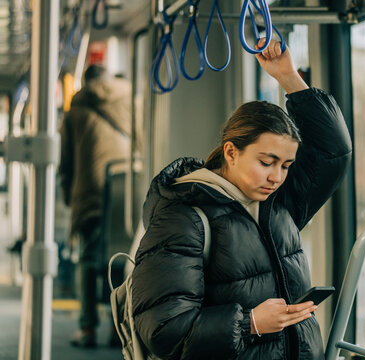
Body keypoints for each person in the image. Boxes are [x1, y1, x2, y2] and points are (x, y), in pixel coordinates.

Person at [131, 40, 352, 359]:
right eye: (266, 162)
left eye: (286, 165)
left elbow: (333, 152)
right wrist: (250, 323)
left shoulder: (278, 206)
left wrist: (288, 77)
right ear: (231, 152)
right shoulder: (183, 218)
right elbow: (163, 329)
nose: (277, 176)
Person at [59, 64, 132, 347]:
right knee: (122, 259)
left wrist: (69, 197)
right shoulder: (131, 99)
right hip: (125, 187)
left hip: (89, 191)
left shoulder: (75, 110)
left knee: (88, 261)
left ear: (86, 82)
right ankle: (119, 330)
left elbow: (66, 162)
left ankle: (87, 329)